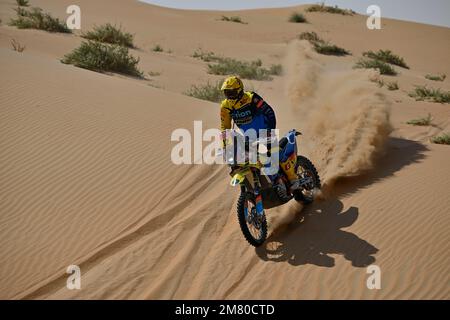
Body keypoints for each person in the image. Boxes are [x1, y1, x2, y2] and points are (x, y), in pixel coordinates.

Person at [219, 76, 301, 191]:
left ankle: (293, 179)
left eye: (231, 92)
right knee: (244, 161)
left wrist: (269, 130)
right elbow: (225, 128)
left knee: (274, 152)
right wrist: (225, 146)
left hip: (265, 131)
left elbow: (269, 112)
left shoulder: (251, 98)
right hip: (249, 137)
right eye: (226, 93)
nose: (229, 96)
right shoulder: (225, 106)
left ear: (239, 90)